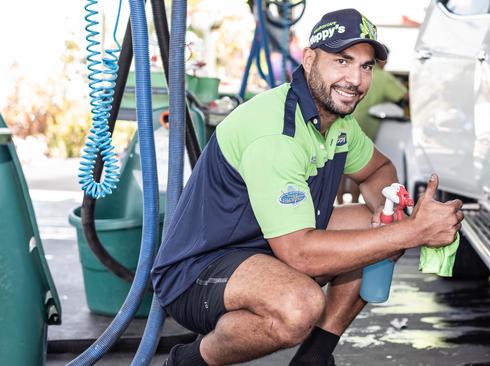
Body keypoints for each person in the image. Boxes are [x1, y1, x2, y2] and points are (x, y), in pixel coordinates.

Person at [153, 8, 463, 366]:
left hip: (266, 248)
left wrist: (389, 210)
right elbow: (300, 254)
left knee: (374, 225)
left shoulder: (338, 123)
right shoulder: (277, 133)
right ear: (310, 59)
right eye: (342, 61)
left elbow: (379, 168)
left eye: (365, 67)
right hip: (200, 270)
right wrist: (412, 232)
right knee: (299, 305)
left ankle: (313, 358)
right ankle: (188, 361)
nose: (355, 79)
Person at [337, 53, 407, 204]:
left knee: (339, 168)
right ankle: (354, 202)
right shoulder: (383, 77)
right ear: (385, 61)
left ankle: (340, 203)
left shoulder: (355, 73)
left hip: (342, 124)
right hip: (364, 127)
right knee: (360, 169)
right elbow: (405, 96)